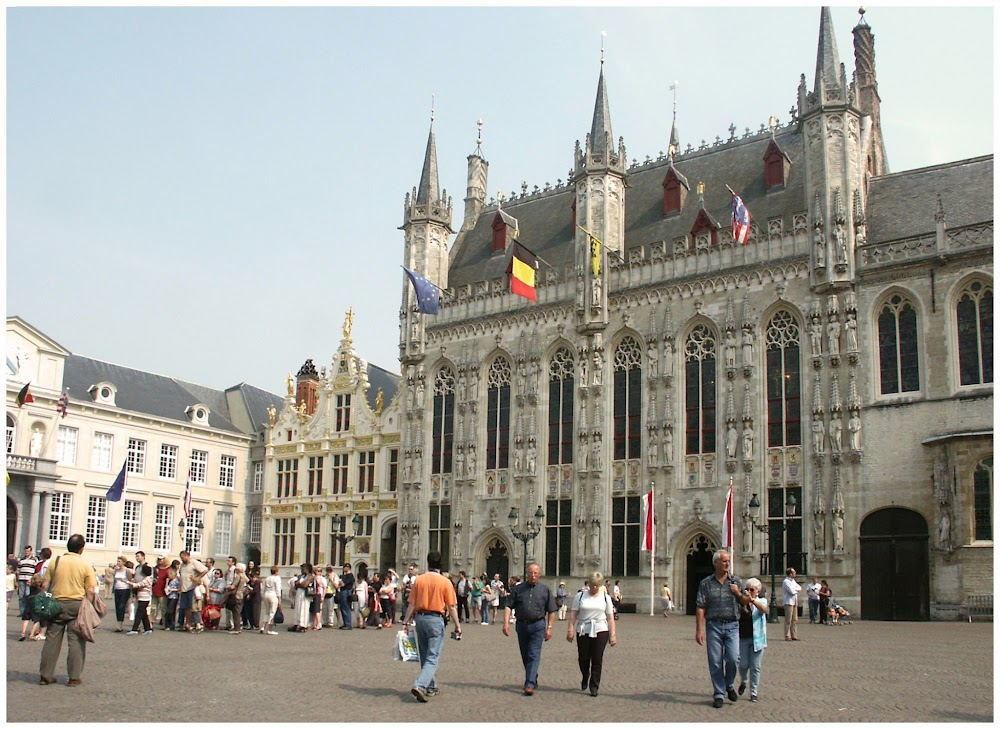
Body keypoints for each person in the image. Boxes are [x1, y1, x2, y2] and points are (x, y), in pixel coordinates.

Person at [38, 534, 98, 686]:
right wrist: (88, 606)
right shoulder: (85, 565)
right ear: (82, 549)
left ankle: (46, 675)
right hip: (76, 604)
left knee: (52, 639)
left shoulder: (55, 562)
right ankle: (74, 677)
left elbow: (45, 585)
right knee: (76, 641)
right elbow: (90, 591)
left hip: (57, 603)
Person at [401, 550, 461, 702]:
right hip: (435, 619)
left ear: (427, 563)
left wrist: (405, 622)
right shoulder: (445, 582)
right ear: (441, 564)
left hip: (420, 619)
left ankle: (431, 686)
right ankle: (420, 685)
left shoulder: (419, 580)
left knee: (425, 654)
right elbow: (452, 607)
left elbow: (411, 604)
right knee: (433, 656)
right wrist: (457, 626)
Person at [695, 550, 751, 708]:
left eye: (728, 561)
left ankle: (729, 685)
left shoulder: (736, 581)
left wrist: (738, 592)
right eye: (724, 561)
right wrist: (699, 629)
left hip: (732, 625)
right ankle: (719, 693)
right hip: (713, 625)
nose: (727, 564)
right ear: (716, 563)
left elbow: (747, 600)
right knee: (715, 662)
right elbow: (700, 607)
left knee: (733, 659)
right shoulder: (706, 583)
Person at [503, 562, 558, 696]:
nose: (533, 575)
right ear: (526, 574)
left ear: (539, 575)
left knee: (533, 653)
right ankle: (533, 676)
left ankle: (529, 684)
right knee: (525, 654)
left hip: (538, 625)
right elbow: (508, 606)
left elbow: (552, 610)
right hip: (521, 624)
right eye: (530, 573)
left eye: (535, 573)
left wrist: (549, 627)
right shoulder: (518, 589)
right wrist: (505, 623)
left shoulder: (545, 590)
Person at [566, 572, 617, 697]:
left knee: (597, 658)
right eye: (592, 585)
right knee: (583, 658)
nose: (594, 588)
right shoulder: (580, 595)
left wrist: (613, 635)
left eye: (597, 586)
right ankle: (585, 675)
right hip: (583, 629)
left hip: (601, 630)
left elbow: (610, 618)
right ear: (588, 583)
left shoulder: (605, 597)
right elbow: (573, 614)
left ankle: (594, 686)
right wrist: (570, 629)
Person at [737, 578, 768, 702]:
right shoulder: (741, 603)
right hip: (743, 637)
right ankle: (744, 681)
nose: (749, 591)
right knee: (743, 665)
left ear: (758, 591)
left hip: (758, 639)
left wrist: (753, 600)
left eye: (752, 590)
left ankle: (753, 692)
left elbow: (763, 609)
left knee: (755, 667)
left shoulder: (762, 601)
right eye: (747, 589)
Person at [177, 551, 207, 632]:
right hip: (184, 588)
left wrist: (198, 577)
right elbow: (180, 574)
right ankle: (188, 624)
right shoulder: (182, 565)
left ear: (187, 556)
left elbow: (204, 570)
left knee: (193, 607)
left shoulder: (194, 563)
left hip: (192, 587)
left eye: (183, 557)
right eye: (181, 558)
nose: (182, 559)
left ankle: (197, 624)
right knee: (186, 607)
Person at [126, 563, 154, 635]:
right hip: (142, 597)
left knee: (139, 614)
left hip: (144, 598)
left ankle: (134, 629)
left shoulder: (147, 579)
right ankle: (148, 628)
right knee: (144, 614)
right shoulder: (148, 578)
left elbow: (138, 585)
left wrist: (127, 582)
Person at [16, 545, 37, 625]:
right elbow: (18, 570)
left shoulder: (34, 560)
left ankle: (28, 612)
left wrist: (32, 580)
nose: (26, 553)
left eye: (28, 551)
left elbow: (35, 571)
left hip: (29, 579)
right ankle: (22, 612)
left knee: (28, 595)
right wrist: (17, 580)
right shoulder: (21, 559)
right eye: (25, 551)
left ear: (31, 551)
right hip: (22, 579)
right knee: (21, 596)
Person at [260, 565, 283, 634]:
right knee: (272, 612)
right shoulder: (277, 578)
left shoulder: (267, 578)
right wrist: (279, 599)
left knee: (266, 612)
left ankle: (263, 627)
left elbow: (263, 588)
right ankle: (270, 629)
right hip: (273, 595)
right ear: (276, 571)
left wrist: (263, 595)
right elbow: (278, 589)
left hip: (266, 594)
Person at [782, 567, 802, 641]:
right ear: (790, 574)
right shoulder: (786, 581)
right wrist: (795, 590)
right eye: (794, 572)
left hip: (794, 602)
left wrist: (795, 589)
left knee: (795, 619)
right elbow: (791, 592)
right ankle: (787, 635)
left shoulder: (793, 581)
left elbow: (799, 588)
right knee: (788, 620)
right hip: (788, 602)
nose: (795, 573)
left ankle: (794, 634)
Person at [337, 563, 355, 630]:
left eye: (345, 567)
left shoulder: (350, 576)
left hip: (347, 591)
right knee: (342, 608)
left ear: (348, 568)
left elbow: (343, 584)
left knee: (346, 607)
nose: (343, 568)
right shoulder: (344, 576)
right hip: (343, 591)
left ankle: (348, 624)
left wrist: (341, 582)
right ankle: (345, 623)